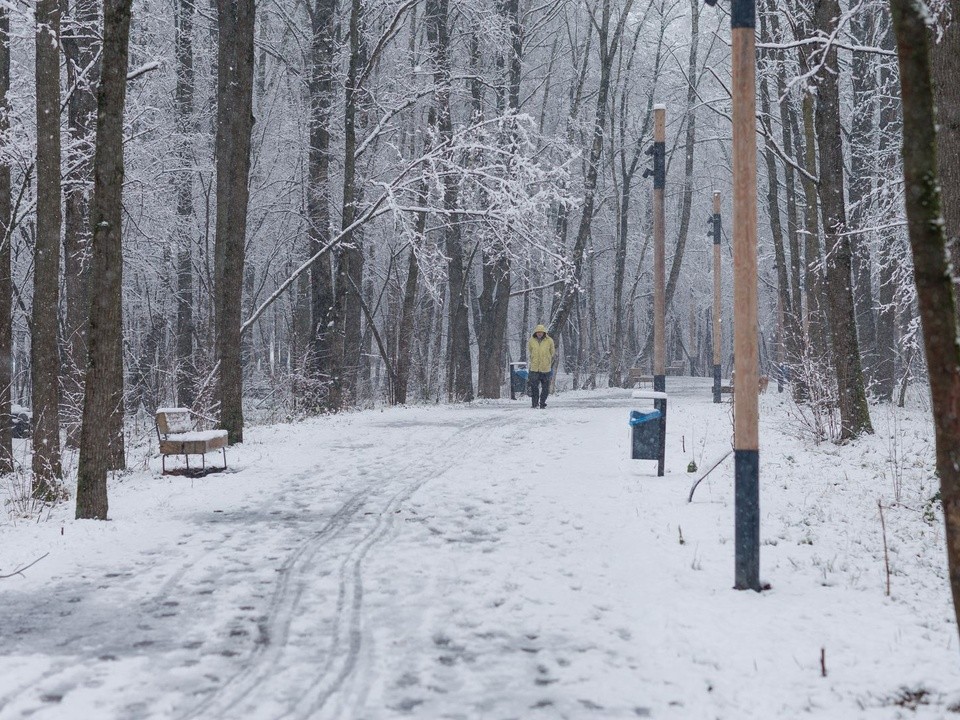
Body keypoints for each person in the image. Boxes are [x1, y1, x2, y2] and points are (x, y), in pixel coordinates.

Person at [527, 324, 555, 409]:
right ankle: (534, 404)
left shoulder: (549, 340)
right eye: (538, 332)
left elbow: (552, 352)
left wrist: (547, 360)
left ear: (544, 333)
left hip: (545, 368)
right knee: (534, 387)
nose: (539, 334)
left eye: (541, 332)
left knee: (545, 388)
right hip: (534, 368)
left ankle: (542, 403)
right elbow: (530, 351)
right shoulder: (531, 340)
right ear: (536, 332)